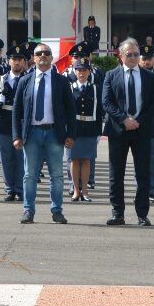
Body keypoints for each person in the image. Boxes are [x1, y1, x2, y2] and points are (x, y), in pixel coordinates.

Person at [104, 38, 154, 227]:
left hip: (142, 130)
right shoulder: (111, 76)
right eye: (128, 54)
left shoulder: (150, 77)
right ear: (120, 56)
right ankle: (117, 213)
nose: (133, 57)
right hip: (118, 131)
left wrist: (138, 121)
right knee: (116, 174)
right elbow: (107, 102)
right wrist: (124, 119)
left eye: (136, 54)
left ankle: (142, 214)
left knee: (143, 174)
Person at [12, 44, 74, 224]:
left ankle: (57, 210)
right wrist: (17, 136)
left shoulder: (61, 81)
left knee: (57, 175)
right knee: (29, 175)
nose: (43, 56)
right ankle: (28, 210)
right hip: (32, 135)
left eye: (47, 53)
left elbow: (71, 110)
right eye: (39, 54)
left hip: (54, 134)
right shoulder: (25, 81)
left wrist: (71, 134)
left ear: (51, 57)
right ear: (33, 57)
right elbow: (17, 110)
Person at [0, 45, 28, 203]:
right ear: (9, 61)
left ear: (24, 62)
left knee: (21, 158)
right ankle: (9, 189)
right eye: (14, 59)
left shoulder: (29, 79)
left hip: (22, 122)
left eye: (20, 59)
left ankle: (20, 189)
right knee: (6, 157)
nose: (17, 62)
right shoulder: (0, 80)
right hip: (5, 122)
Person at [67, 58, 101, 202]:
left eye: (84, 70)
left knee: (86, 160)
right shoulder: (69, 88)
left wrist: (99, 131)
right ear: (74, 72)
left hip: (90, 128)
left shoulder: (95, 88)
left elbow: (100, 110)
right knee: (74, 160)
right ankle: (76, 190)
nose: (81, 73)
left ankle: (85, 190)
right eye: (79, 70)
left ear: (89, 71)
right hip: (74, 128)